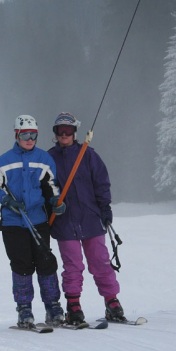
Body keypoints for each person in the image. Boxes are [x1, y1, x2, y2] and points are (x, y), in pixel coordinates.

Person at [0, 115, 67, 327]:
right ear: (17, 134)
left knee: (45, 261)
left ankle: (53, 305)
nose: (30, 139)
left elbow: (50, 185)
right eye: (25, 135)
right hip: (13, 223)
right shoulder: (1, 162)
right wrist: (6, 200)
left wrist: (55, 200)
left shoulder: (44, 159)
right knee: (21, 264)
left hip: (38, 219)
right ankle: (24, 309)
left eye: (34, 135)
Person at [48, 112, 125, 324]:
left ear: (75, 132)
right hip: (64, 222)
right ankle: (74, 305)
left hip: (91, 219)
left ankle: (112, 301)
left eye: (68, 130)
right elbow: (44, 188)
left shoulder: (88, 155)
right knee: (72, 265)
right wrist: (51, 205)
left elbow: (102, 183)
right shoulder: (48, 158)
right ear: (55, 134)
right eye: (60, 131)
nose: (64, 135)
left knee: (100, 262)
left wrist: (105, 208)